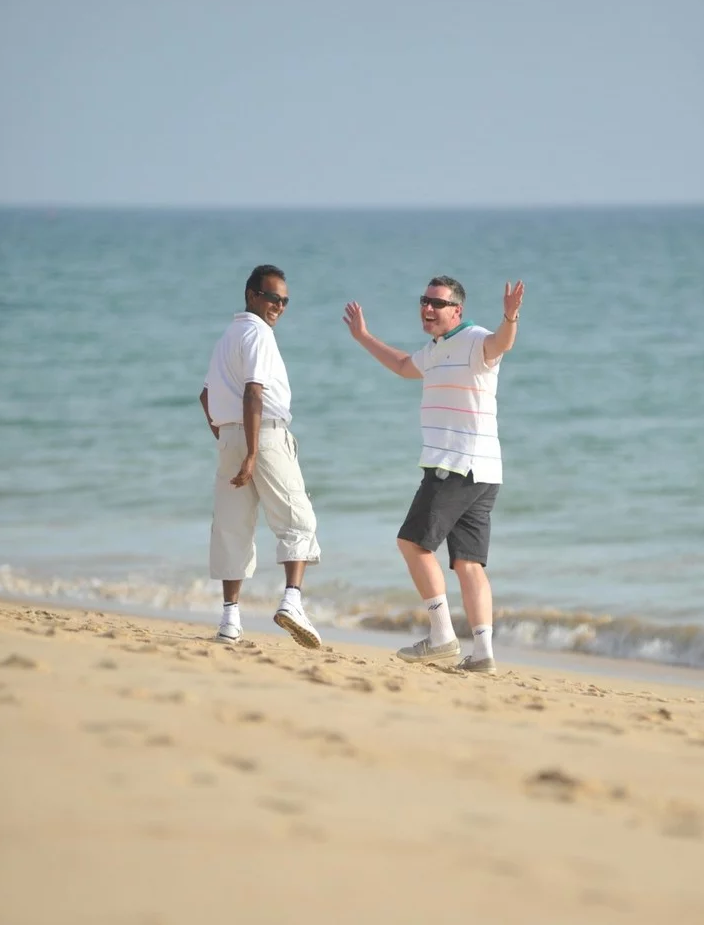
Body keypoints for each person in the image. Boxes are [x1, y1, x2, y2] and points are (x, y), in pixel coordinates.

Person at [343, 275, 524, 674]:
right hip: (485, 471)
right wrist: (363, 337)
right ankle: (483, 654)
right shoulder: (435, 349)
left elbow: (501, 343)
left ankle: (441, 636)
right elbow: (402, 365)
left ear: (457, 310)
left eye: (437, 303)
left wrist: (510, 317)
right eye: (424, 301)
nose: (427, 308)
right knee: (468, 563)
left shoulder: (475, 340)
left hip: (456, 464)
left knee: (412, 543)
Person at [199, 264, 321, 649]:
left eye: (284, 301)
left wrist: (228, 438)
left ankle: (230, 621)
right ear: (252, 295)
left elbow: (205, 396)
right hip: (264, 436)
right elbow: (254, 392)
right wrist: (252, 451)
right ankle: (292, 602)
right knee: (297, 520)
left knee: (232, 528)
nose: (279, 307)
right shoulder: (259, 334)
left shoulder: (227, 336)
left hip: (230, 436)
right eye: (272, 298)